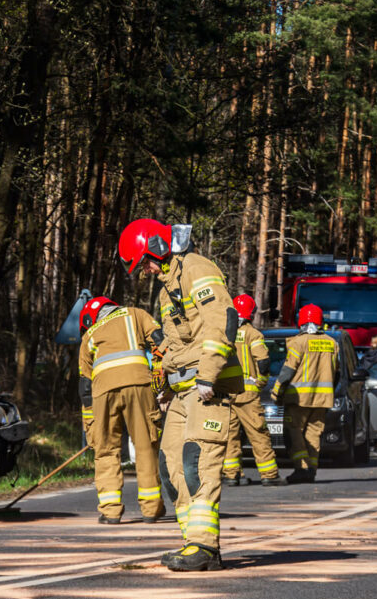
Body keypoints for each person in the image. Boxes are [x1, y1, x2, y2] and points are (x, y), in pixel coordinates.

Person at [118, 217, 243, 572]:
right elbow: (174, 345)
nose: (144, 271)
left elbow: (222, 319)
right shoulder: (166, 288)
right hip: (182, 391)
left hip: (207, 388)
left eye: (144, 262)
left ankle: (204, 545)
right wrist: (164, 387)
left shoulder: (196, 269)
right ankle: (195, 542)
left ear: (155, 248)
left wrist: (208, 375)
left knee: (195, 463)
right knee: (169, 464)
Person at [78, 295, 166, 524]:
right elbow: (160, 340)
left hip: (102, 391)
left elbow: (85, 387)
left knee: (105, 449)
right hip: (139, 383)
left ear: (91, 317)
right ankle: (151, 510)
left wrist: (91, 428)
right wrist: (163, 376)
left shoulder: (89, 335)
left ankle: (110, 511)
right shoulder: (135, 314)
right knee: (146, 445)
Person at [270, 304, 336, 483]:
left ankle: (301, 468)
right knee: (313, 434)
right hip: (322, 399)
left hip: (298, 399)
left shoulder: (298, 342)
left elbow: (287, 371)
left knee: (294, 432)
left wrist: (276, 393)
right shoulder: (332, 343)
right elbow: (335, 372)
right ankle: (311, 469)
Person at [222, 294, 283, 486]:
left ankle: (232, 475)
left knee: (229, 436)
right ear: (251, 313)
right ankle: (269, 475)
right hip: (247, 394)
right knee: (258, 434)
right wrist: (261, 382)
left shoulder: (223, 333)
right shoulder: (253, 334)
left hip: (225, 393)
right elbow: (263, 362)